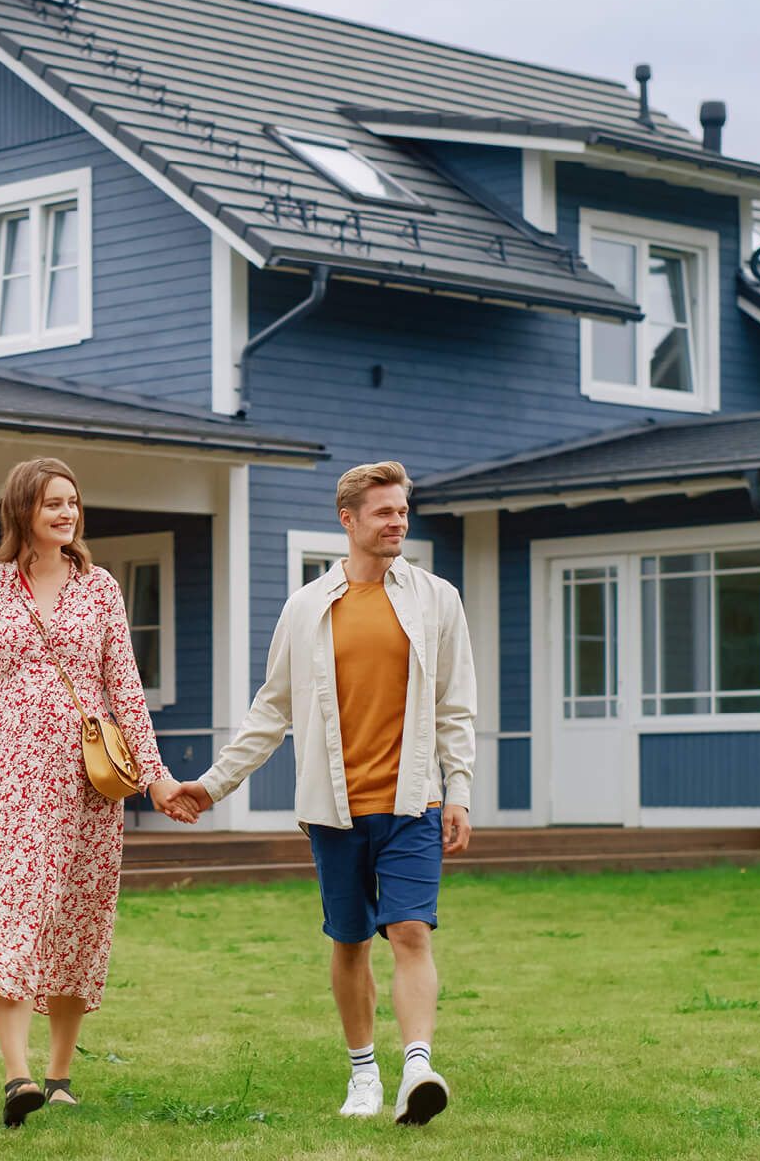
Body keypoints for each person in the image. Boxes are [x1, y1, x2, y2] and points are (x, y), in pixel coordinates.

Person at [159, 461, 475, 1127]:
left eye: (402, 511)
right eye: (384, 512)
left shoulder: (436, 599)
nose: (398, 522)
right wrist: (212, 786)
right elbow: (270, 711)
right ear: (349, 519)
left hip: (413, 800)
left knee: (411, 931)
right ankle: (365, 1075)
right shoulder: (307, 608)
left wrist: (460, 790)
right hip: (333, 809)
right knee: (352, 939)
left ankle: (418, 1066)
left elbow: (456, 705)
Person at [0, 457, 192, 1127]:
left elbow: (127, 691)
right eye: (52, 503)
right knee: (11, 914)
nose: (66, 513)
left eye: (73, 503)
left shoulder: (102, 588)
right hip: (7, 780)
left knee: (74, 922)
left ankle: (59, 1073)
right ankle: (16, 1075)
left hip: (86, 784)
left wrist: (157, 777)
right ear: (22, 508)